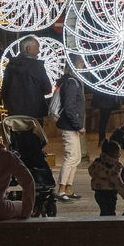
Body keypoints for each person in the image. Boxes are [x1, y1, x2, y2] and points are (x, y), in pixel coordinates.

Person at [0, 36, 53, 120]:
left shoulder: (10, 66)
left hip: (14, 114)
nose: (39, 51)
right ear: (29, 49)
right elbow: (48, 89)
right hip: (35, 115)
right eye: (37, 48)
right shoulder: (37, 66)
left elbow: (4, 91)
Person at [54, 67, 86, 201]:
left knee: (76, 157)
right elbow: (69, 107)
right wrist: (79, 125)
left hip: (71, 126)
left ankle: (68, 188)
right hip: (69, 126)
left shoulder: (70, 81)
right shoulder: (71, 82)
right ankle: (61, 189)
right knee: (71, 156)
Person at [87, 139, 124, 217]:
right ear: (111, 154)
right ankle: (109, 223)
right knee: (110, 211)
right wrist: (122, 190)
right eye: (118, 153)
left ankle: (103, 222)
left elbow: (91, 171)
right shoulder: (114, 165)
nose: (119, 155)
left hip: (98, 192)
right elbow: (116, 179)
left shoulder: (97, 161)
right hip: (109, 193)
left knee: (104, 210)